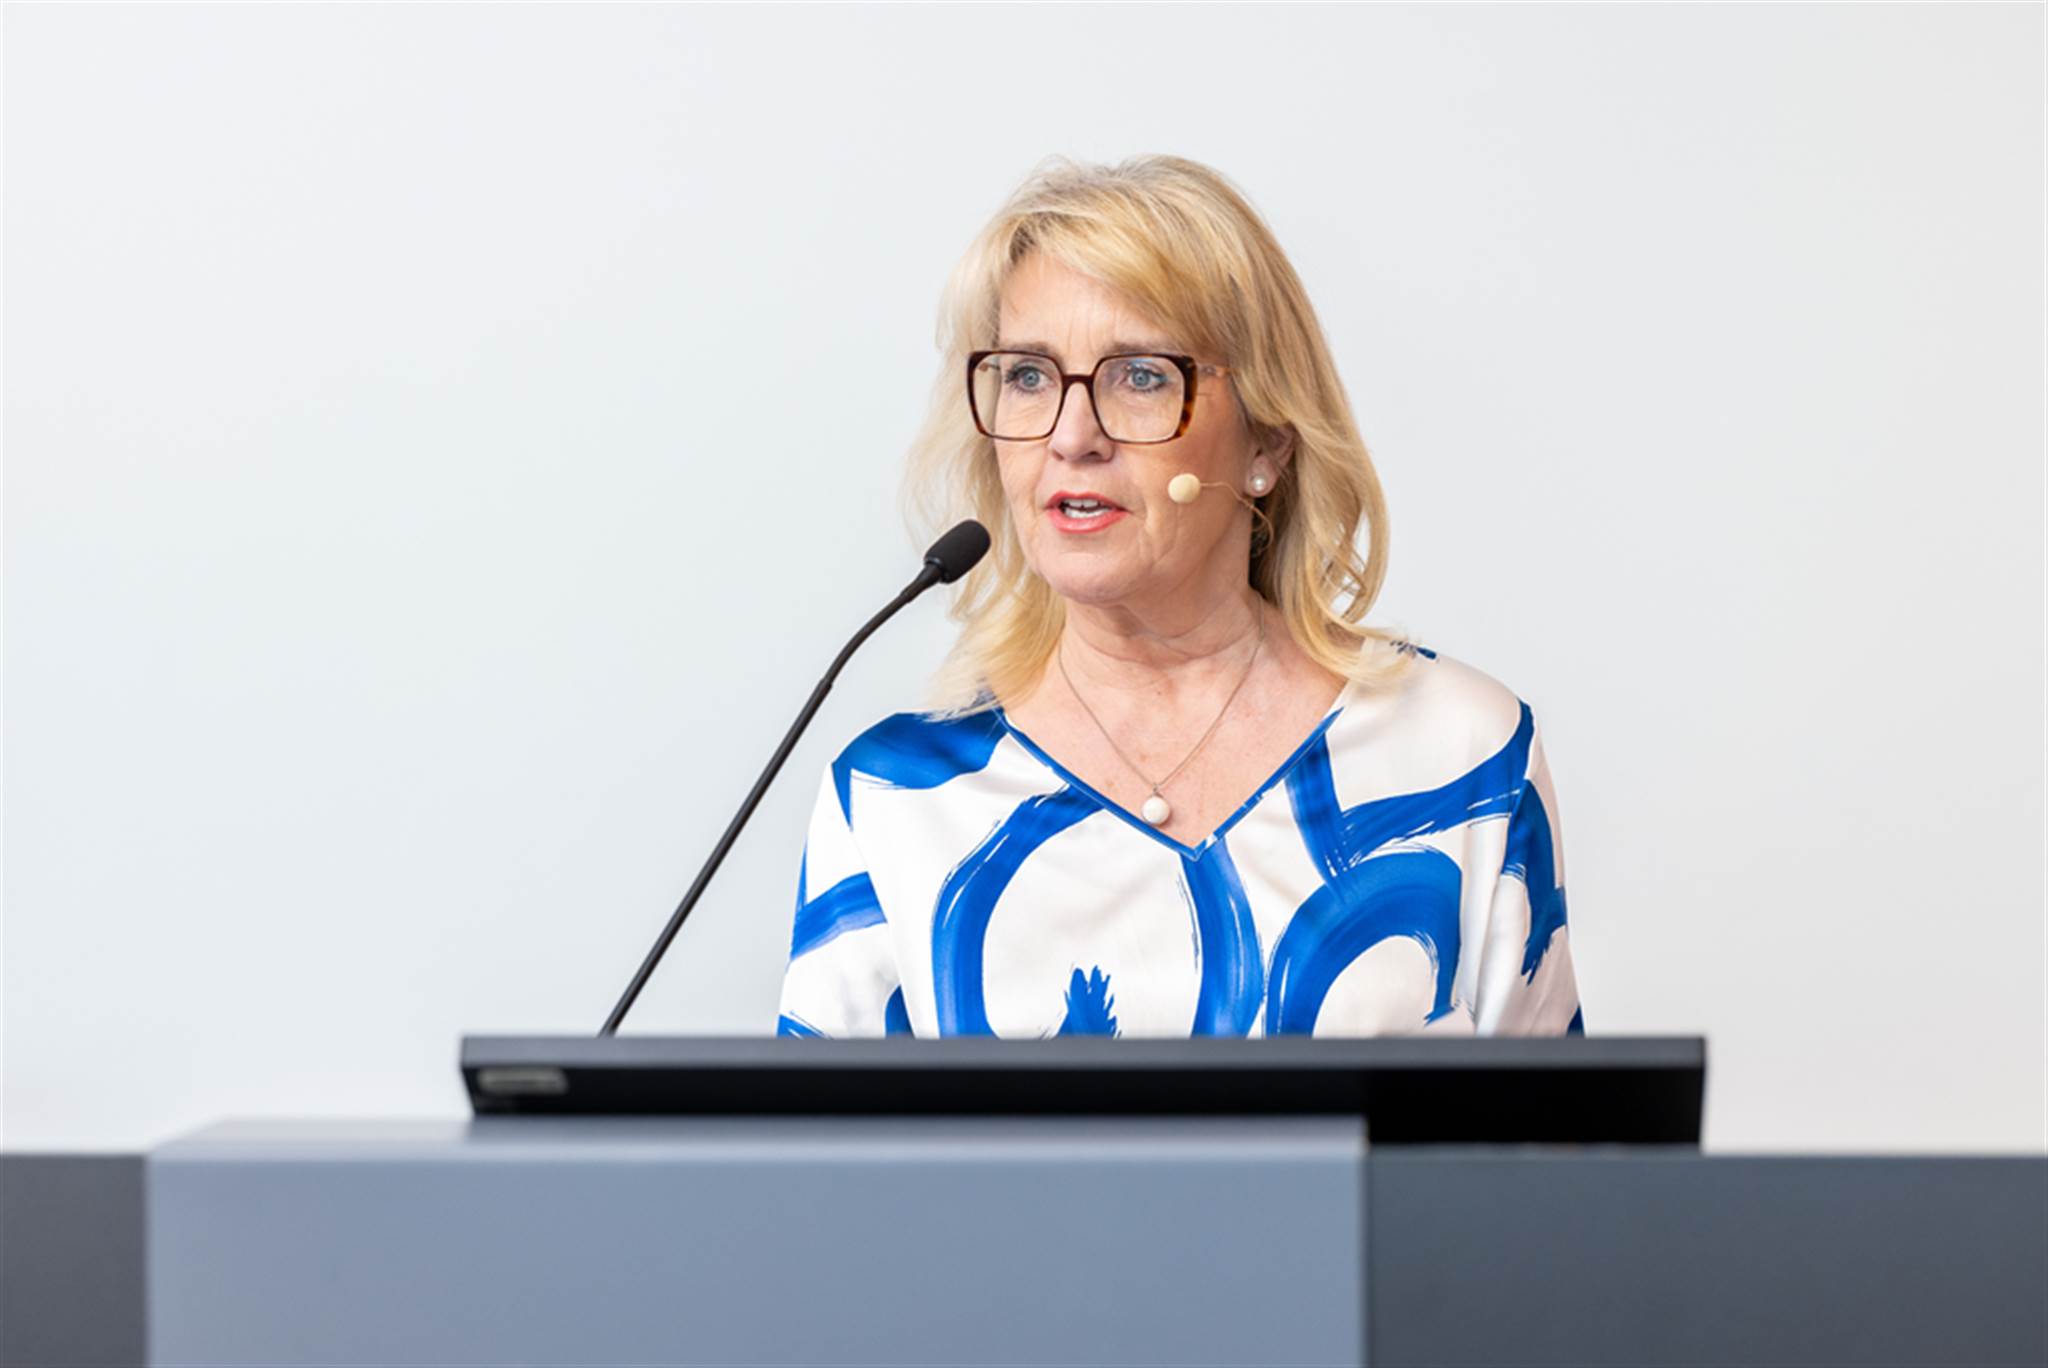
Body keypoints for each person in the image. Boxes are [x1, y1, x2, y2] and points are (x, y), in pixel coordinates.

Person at [776, 155, 1582, 1039]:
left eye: (1140, 376)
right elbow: (825, 1137)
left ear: (1267, 442)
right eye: (1028, 376)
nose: (1071, 437)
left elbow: (1550, 1132)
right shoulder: (893, 797)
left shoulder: (1463, 752)